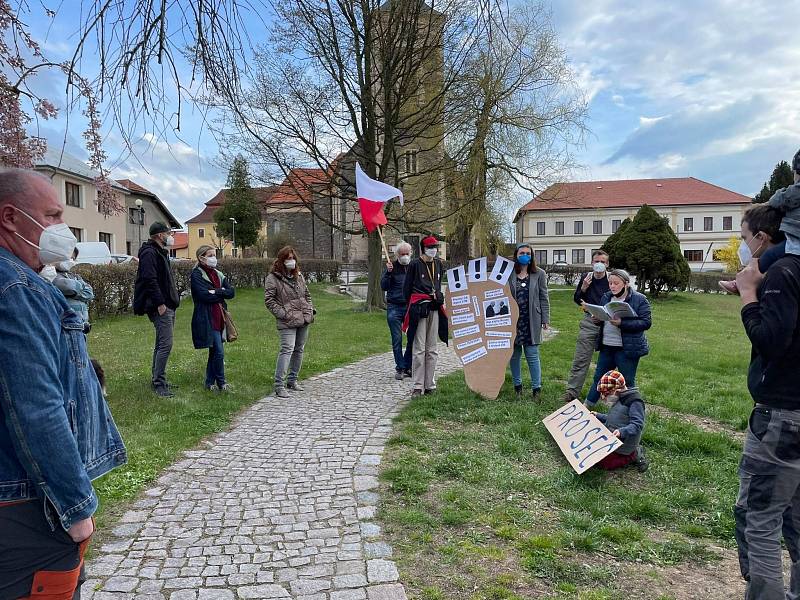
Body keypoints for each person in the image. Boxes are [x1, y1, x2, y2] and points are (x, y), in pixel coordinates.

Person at [0, 168, 126, 599]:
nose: (61, 228)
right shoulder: (15, 287)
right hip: (26, 504)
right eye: (52, 216)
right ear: (11, 218)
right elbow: (36, 407)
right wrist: (76, 507)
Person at [733, 203, 800, 600]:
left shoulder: (783, 272)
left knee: (759, 518)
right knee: (795, 517)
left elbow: (772, 340)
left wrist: (748, 296)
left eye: (744, 239)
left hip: (780, 415)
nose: (744, 247)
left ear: (762, 238)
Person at [721, 150, 800, 294]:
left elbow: (782, 199)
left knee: (770, 256)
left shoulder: (796, 191)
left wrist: (768, 204)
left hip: (796, 239)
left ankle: (742, 283)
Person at [584, 268, 651, 408]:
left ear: (626, 284)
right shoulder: (606, 297)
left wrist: (622, 323)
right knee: (599, 378)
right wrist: (597, 319)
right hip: (607, 345)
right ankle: (586, 407)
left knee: (627, 382)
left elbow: (646, 322)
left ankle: (632, 411)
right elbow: (603, 315)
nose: (612, 286)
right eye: (610, 283)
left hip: (627, 348)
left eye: (616, 283)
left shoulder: (639, 299)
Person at [133, 221, 180, 398]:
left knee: (161, 343)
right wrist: (160, 304)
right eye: (169, 233)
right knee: (165, 344)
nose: (171, 236)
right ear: (160, 235)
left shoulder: (161, 252)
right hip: (160, 306)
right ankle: (159, 383)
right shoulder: (149, 252)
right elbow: (149, 279)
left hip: (168, 304)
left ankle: (158, 378)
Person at [264, 246, 315, 399]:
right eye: (288, 259)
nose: (291, 261)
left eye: (293, 258)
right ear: (281, 260)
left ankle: (292, 380)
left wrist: (310, 309)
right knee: (287, 349)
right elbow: (269, 300)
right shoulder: (273, 278)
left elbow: (306, 294)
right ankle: (279, 385)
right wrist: (283, 314)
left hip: (303, 317)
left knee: (299, 349)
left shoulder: (299, 275)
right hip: (287, 320)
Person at [402, 235, 448, 396]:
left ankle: (430, 385)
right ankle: (417, 385)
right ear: (423, 249)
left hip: (434, 308)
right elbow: (407, 289)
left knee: (432, 349)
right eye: (430, 247)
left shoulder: (438, 264)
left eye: (435, 247)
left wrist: (439, 297)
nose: (433, 250)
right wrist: (413, 306)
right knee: (419, 348)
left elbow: (437, 285)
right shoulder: (415, 264)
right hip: (419, 309)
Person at [562, 250, 610, 402]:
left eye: (602, 262)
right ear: (592, 263)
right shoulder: (586, 277)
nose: (599, 264)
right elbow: (577, 299)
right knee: (581, 359)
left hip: (609, 324)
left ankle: (605, 393)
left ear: (607, 264)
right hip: (589, 322)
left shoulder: (612, 279)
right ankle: (572, 392)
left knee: (607, 362)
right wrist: (583, 288)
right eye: (596, 261)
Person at [508, 244, 549, 400]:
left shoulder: (539, 274)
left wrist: (545, 318)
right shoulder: (508, 273)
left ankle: (536, 388)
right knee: (514, 355)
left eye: (528, 253)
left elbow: (544, 297)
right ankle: (517, 386)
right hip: (513, 321)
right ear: (516, 255)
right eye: (522, 253)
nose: (525, 255)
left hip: (531, 319)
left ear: (532, 256)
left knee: (532, 354)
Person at [191, 245, 235, 391]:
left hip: (220, 317)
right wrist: (220, 292)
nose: (213, 258)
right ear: (201, 257)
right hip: (206, 318)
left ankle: (209, 383)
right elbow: (202, 295)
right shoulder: (197, 274)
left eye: (214, 255)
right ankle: (222, 383)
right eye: (209, 255)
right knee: (219, 351)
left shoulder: (218, 274)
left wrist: (215, 292)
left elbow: (231, 293)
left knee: (214, 351)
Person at [591, 370, 648, 472]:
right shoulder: (620, 398)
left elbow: (637, 425)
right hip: (613, 439)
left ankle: (633, 455)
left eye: (606, 394)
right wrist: (598, 416)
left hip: (623, 445)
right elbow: (614, 418)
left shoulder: (635, 402)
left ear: (616, 391)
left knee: (604, 463)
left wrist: (622, 431)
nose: (604, 398)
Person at [381, 242, 414, 380]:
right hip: (394, 307)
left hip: (410, 307)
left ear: (411, 253)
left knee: (412, 338)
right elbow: (384, 286)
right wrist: (388, 273)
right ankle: (400, 367)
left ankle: (407, 365)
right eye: (402, 254)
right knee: (397, 340)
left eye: (407, 254)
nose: (405, 256)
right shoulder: (391, 267)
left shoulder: (414, 267)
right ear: (397, 255)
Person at [51, 248, 94, 329]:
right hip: (66, 326)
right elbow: (68, 287)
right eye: (68, 257)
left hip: (82, 325)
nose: (70, 261)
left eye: (73, 258)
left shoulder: (75, 276)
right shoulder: (52, 275)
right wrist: (81, 288)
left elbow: (90, 293)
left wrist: (74, 292)